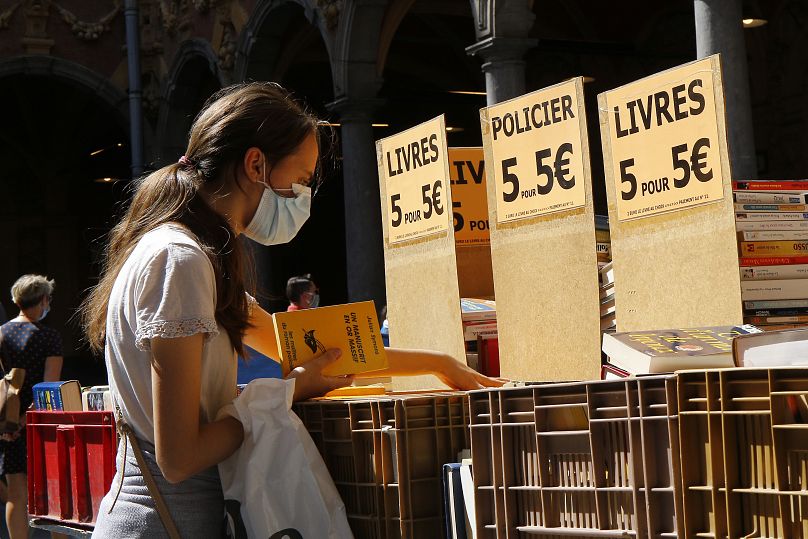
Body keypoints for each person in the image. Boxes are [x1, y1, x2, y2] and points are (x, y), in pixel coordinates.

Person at [79, 82, 502, 538]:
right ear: (255, 165)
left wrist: (439, 364)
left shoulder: (191, 259)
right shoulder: (180, 261)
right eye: (301, 179)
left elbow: (319, 350)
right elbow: (180, 457)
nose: (303, 196)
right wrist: (284, 394)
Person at [0, 275, 63, 539]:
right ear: (44, 300)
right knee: (55, 494)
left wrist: (10, 424)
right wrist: (25, 422)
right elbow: (48, 388)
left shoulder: (1, 334)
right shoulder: (49, 336)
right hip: (42, 425)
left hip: (8, 424)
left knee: (16, 494)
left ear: (17, 300)